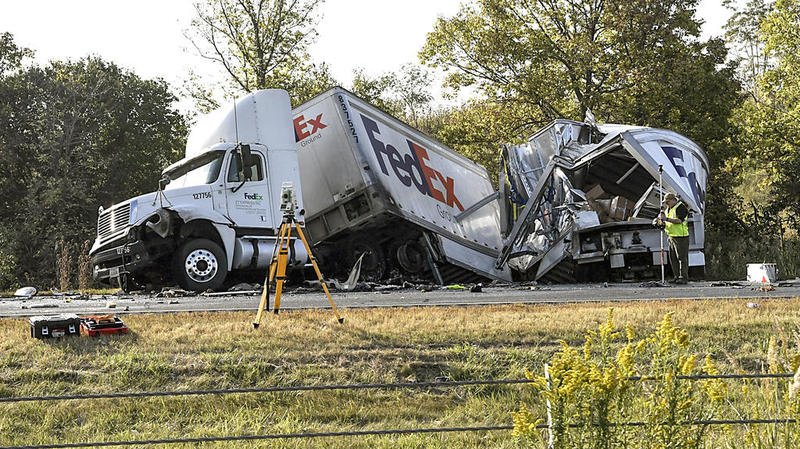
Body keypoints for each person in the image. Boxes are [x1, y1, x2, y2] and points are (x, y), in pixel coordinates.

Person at [657, 193, 689, 284]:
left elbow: (679, 221)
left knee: (681, 258)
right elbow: (667, 221)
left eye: (668, 202)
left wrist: (666, 219)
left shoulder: (681, 207)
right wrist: (661, 222)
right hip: (671, 236)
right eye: (665, 202)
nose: (667, 204)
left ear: (674, 200)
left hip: (681, 236)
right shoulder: (668, 209)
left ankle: (683, 277)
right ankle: (676, 276)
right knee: (673, 258)